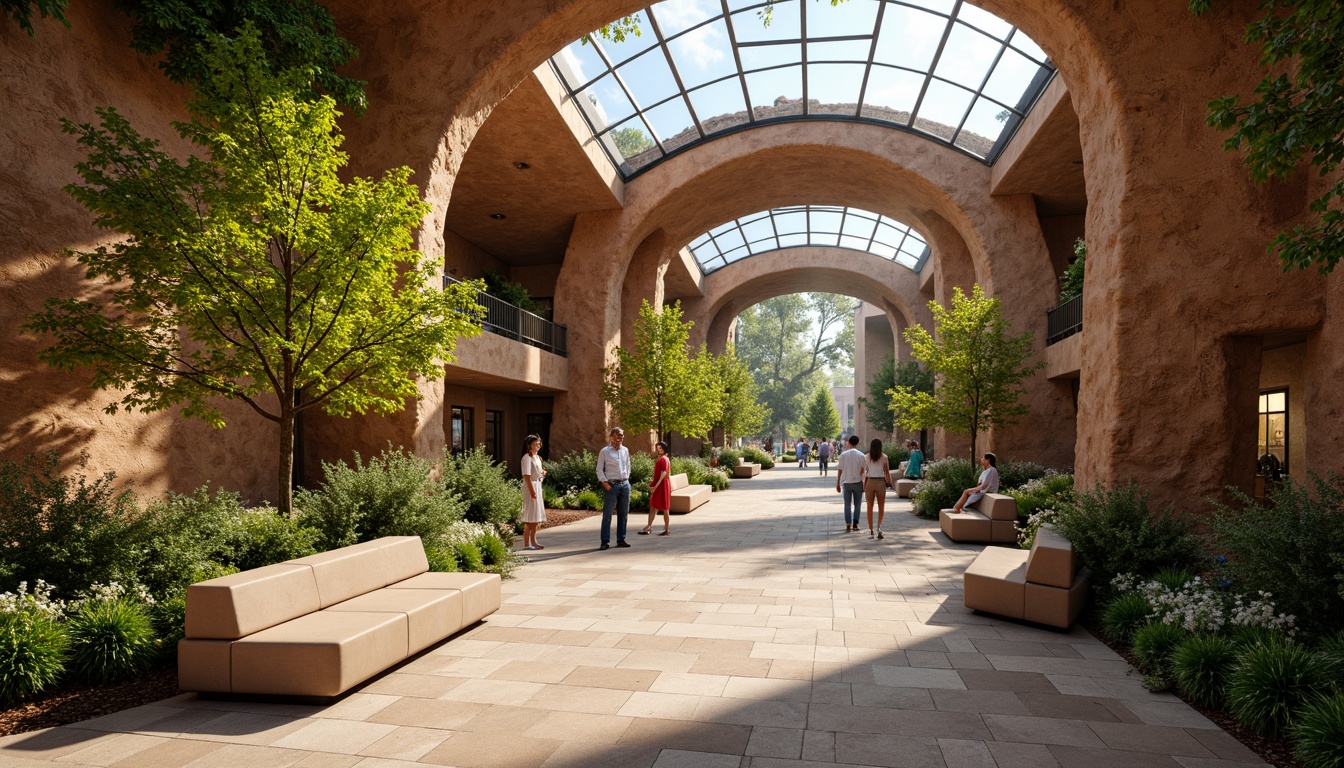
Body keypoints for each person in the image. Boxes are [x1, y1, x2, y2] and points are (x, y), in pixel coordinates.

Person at [596, 427, 632, 550]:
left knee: (623, 514)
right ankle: (604, 541)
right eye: (617, 437)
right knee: (607, 514)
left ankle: (621, 539)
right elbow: (599, 469)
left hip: (624, 484)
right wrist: (605, 483)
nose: (619, 440)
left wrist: (627, 479)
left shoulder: (625, 450)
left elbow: (628, 465)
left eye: (621, 437)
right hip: (611, 485)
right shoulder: (605, 451)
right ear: (611, 437)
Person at [639, 441, 672, 536]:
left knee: (663, 507)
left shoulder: (664, 459)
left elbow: (664, 473)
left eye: (661, 448)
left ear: (664, 448)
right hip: (662, 484)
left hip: (662, 485)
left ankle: (664, 529)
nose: (659, 450)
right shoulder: (663, 458)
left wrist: (655, 486)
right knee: (654, 505)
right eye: (658, 449)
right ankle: (650, 527)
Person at [520, 434, 547, 550]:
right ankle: (527, 543)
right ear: (529, 445)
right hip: (531, 486)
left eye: (538, 444)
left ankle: (534, 541)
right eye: (535, 444)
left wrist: (543, 474)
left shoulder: (537, 458)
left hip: (537, 485)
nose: (537, 446)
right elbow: (527, 475)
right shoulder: (527, 458)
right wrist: (532, 492)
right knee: (530, 515)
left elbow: (538, 474)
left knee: (535, 516)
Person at [863, 438, 893, 540]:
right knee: (881, 506)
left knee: (869, 507)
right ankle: (878, 528)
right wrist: (890, 482)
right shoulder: (884, 457)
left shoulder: (866, 457)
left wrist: (864, 484)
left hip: (870, 481)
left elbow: (865, 472)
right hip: (880, 482)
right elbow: (887, 473)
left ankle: (871, 530)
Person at [835, 435, 865, 532]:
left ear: (849, 442)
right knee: (858, 504)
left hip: (846, 482)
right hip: (858, 482)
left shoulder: (843, 455)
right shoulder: (861, 455)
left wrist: (838, 483)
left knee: (847, 504)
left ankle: (848, 523)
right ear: (857, 443)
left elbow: (840, 469)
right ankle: (855, 524)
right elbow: (863, 470)